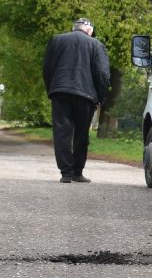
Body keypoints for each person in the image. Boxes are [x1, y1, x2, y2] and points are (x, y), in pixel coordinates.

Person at [42, 17, 111, 183]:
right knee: (82, 134)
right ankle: (77, 172)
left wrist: (51, 89)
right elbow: (102, 73)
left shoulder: (56, 40)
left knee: (61, 132)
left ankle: (65, 173)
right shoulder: (96, 44)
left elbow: (47, 68)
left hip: (60, 92)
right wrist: (101, 97)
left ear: (74, 28)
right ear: (89, 31)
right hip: (86, 95)